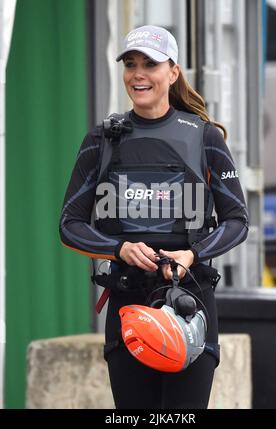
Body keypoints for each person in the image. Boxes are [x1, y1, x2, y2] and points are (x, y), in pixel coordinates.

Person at [59, 25, 248, 409]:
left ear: (173, 72)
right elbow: (69, 225)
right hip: (128, 301)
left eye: (150, 64)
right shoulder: (101, 140)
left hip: (189, 301)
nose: (138, 74)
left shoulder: (204, 136)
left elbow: (237, 220)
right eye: (131, 64)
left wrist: (191, 255)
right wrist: (120, 248)